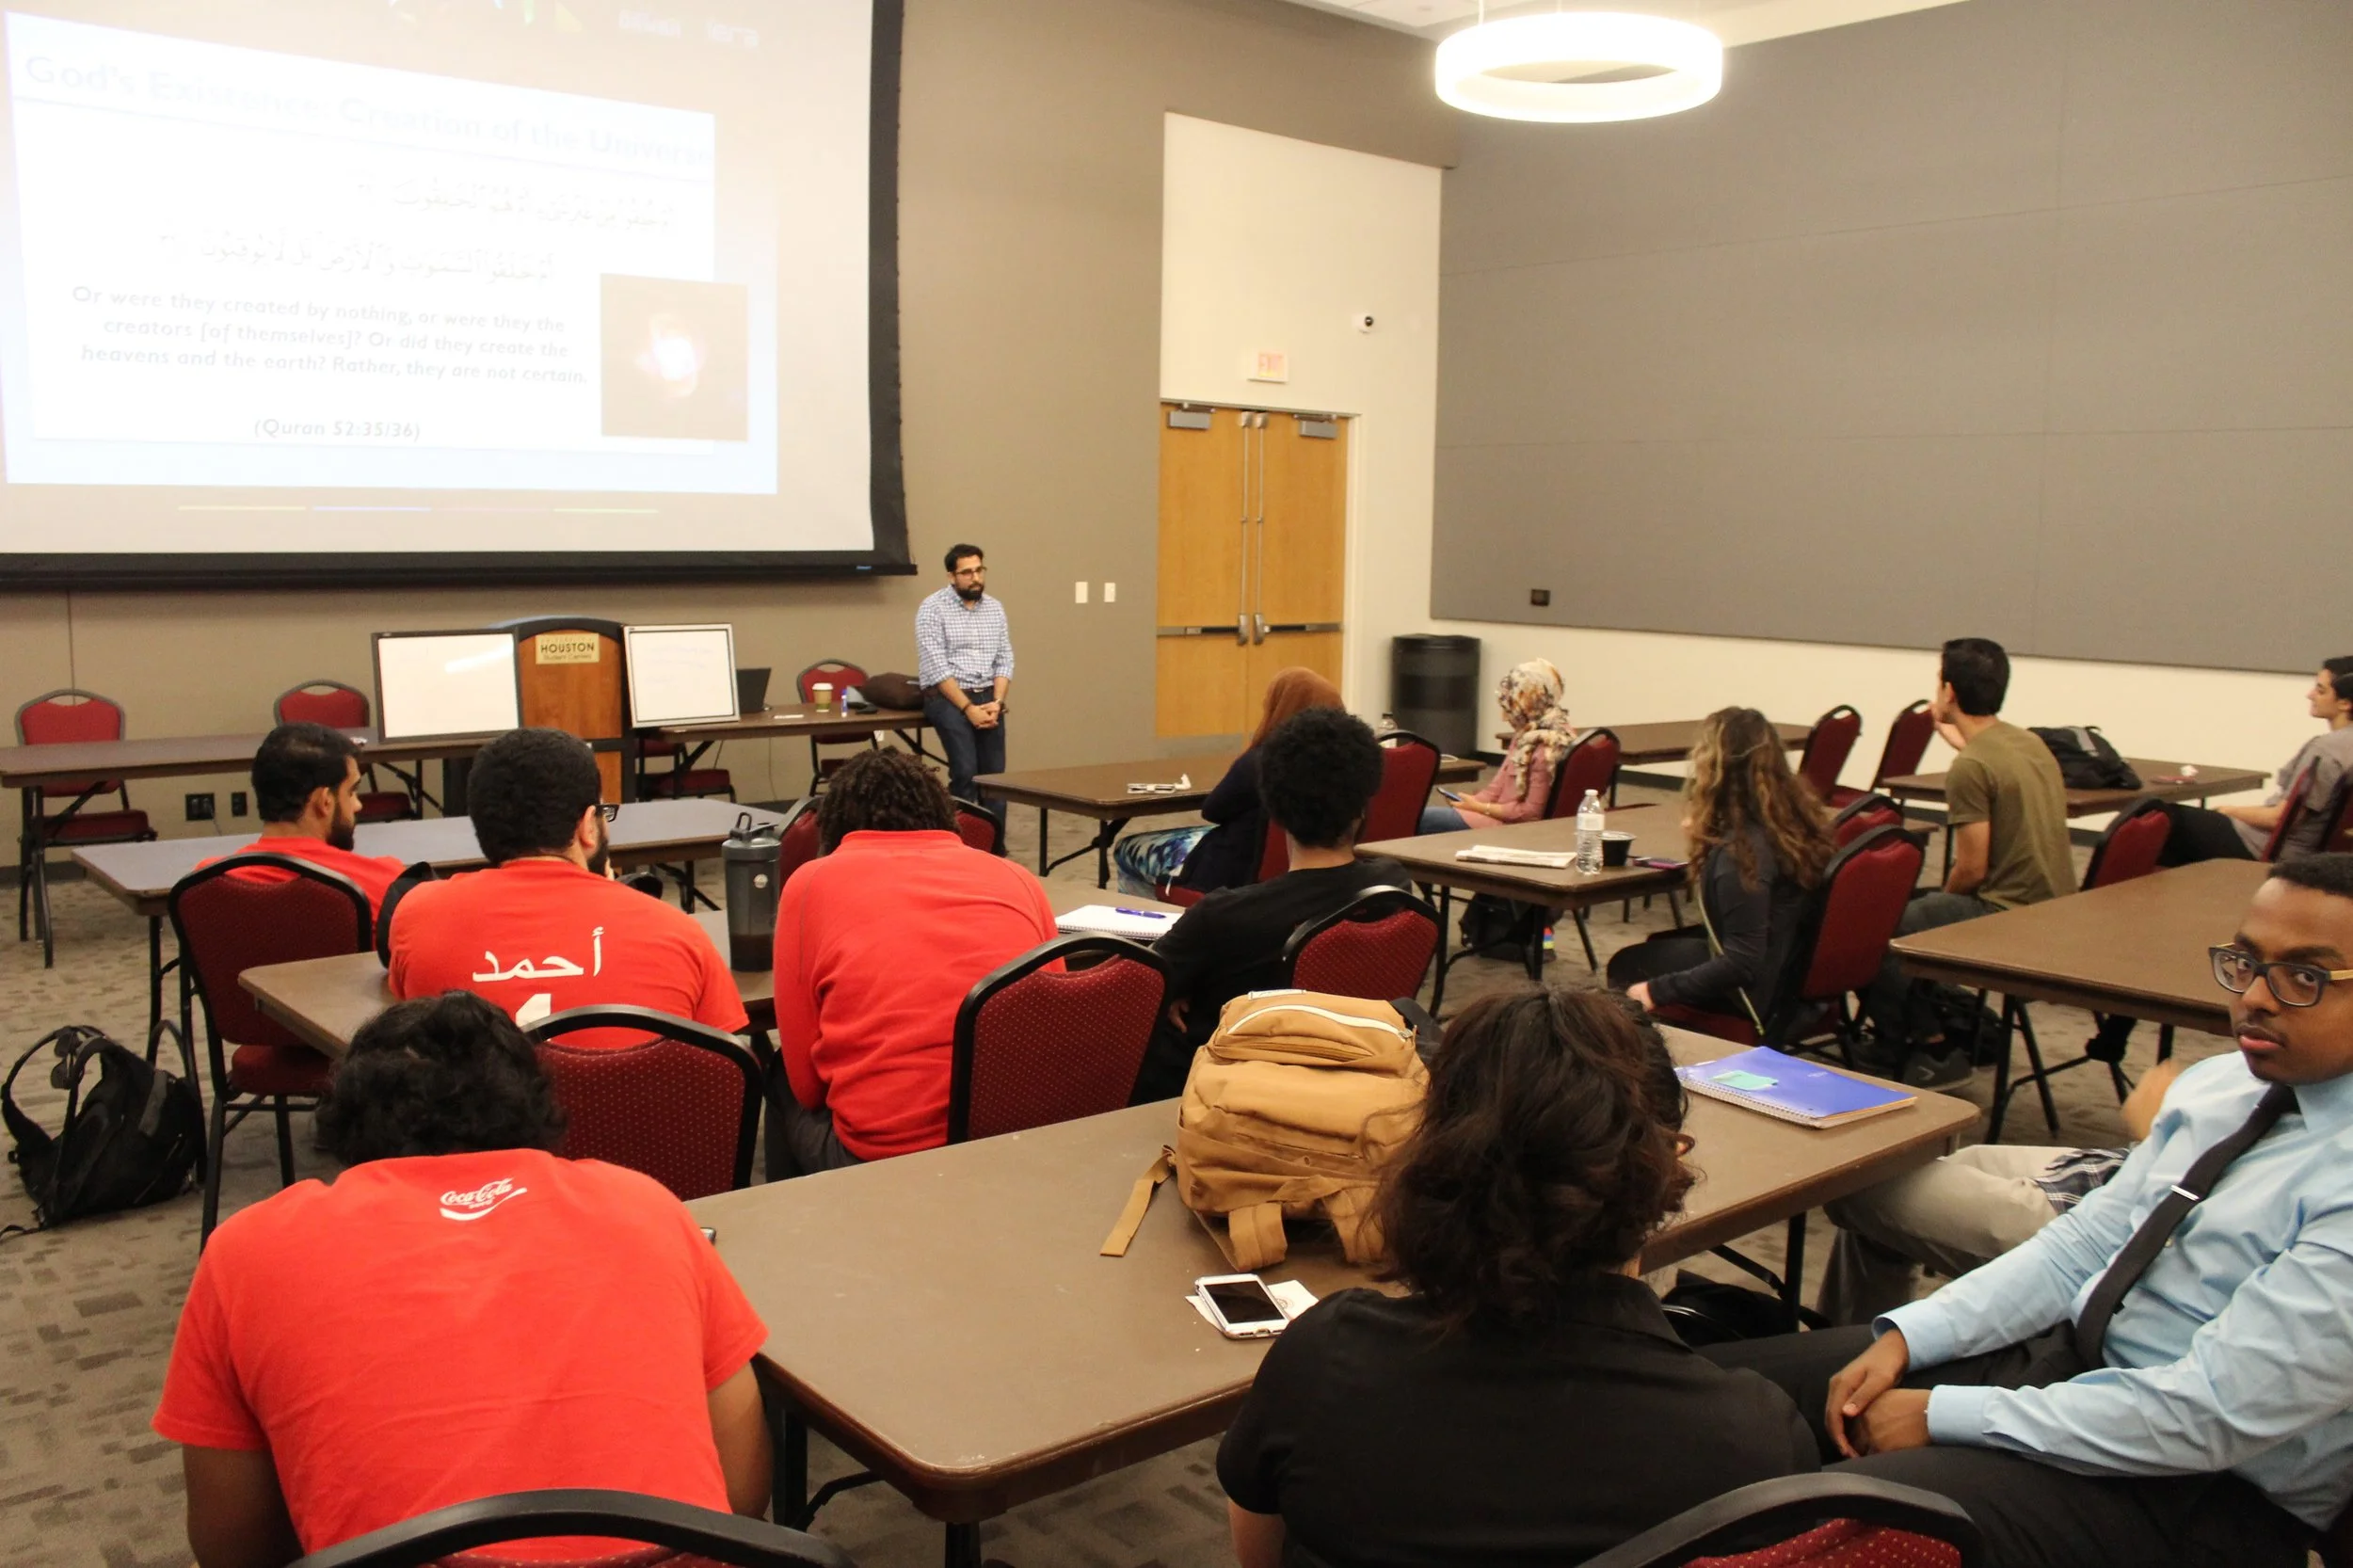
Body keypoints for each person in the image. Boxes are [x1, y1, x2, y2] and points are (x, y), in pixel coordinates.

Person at [1706, 855, 2353, 1568]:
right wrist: (1913, 1337)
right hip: (2075, 1362)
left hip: (2201, 1489)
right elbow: (2085, 1244)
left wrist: (1944, 1413)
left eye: (2305, 978)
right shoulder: (2223, 1084)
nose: (2255, 997)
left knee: (1829, 1529)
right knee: (1715, 1405)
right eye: (2247, 962)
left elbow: (2209, 1415)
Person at [153, 991, 771, 1566]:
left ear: (345, 1121)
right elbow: (742, 1494)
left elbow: (231, 1548)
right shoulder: (646, 1206)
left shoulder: (248, 1250)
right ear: (537, 1110)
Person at [1219, 986, 1815, 1568]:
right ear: (1664, 1166)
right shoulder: (1753, 1444)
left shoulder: (1322, 1364)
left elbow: (1260, 1552)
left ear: (1437, 1149)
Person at [772, 747, 1057, 1176]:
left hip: (886, 1158)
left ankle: (794, 1212)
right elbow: (1051, 1026)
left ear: (832, 830)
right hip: (1015, 1140)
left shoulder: (810, 884)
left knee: (777, 1072)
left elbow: (807, 1088)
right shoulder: (1019, 878)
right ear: (945, 815)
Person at [387, 728, 747, 1044]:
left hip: (480, 1105)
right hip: (629, 1104)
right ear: (588, 825)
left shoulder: (417, 914)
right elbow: (728, 1066)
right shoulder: (677, 932)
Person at [1131, 707, 1414, 1102]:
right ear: (1364, 803)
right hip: (1357, 1077)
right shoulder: (1394, 887)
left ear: (1274, 808)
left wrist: (1181, 986)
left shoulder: (1223, 917)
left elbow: (1136, 993)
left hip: (1224, 1095)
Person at [1817, 1057, 2183, 1324]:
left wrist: (2158, 1132)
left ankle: (1842, 1371)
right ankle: (1848, 1357)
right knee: (1920, 1171)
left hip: (2136, 1210)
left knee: (1865, 1180)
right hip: (2115, 1167)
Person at [1861, 637, 2073, 1088]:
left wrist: (1941, 909)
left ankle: (1931, 1047)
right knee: (1912, 911)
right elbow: (1990, 765)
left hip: (2005, 913)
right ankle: (1937, 1027)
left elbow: (1972, 870)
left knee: (1871, 928)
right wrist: (1957, 739)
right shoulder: (2027, 742)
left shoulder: (1971, 767)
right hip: (2056, 911)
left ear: (1949, 691)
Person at [1609, 706, 1836, 1028]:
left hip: (1752, 995)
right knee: (1657, 947)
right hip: (1789, 975)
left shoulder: (1742, 854)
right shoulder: (1792, 824)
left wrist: (1656, 991)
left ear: (1714, 770)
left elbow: (1742, 962)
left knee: (1627, 966)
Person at [1110, 667, 1343, 897]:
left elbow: (1212, 810)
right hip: (1304, 878)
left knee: (1129, 848)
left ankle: (1149, 919)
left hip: (1233, 872)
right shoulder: (1342, 768)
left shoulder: (1261, 763)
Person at [2156, 657, 2353, 864]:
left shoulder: (2327, 749)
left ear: (2345, 703)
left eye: (2321, 691)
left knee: (2162, 815)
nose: (2310, 695)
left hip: (2271, 849)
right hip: (2307, 852)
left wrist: (2229, 811)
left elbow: (2280, 818)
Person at [201, 723, 407, 915]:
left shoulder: (207, 883)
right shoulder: (385, 884)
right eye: (351, 791)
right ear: (324, 801)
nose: (357, 805)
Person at [1417, 658, 1576, 832]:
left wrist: (1479, 808)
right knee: (1420, 815)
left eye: (1510, 708)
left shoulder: (1548, 746)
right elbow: (1496, 788)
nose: (1504, 717)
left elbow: (1530, 814)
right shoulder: (1526, 734)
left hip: (1513, 827)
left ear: (1529, 703)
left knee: (1420, 819)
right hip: (1497, 815)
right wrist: (1471, 802)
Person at [915, 542, 1015, 808]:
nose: (975, 578)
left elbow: (1004, 660)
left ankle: (994, 835)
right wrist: (969, 708)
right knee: (965, 772)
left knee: (995, 779)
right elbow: (937, 668)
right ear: (952, 576)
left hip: (988, 696)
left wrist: (997, 702)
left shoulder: (995, 608)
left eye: (979, 570)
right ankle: (960, 833)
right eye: (967, 572)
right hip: (948, 697)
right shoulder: (932, 608)